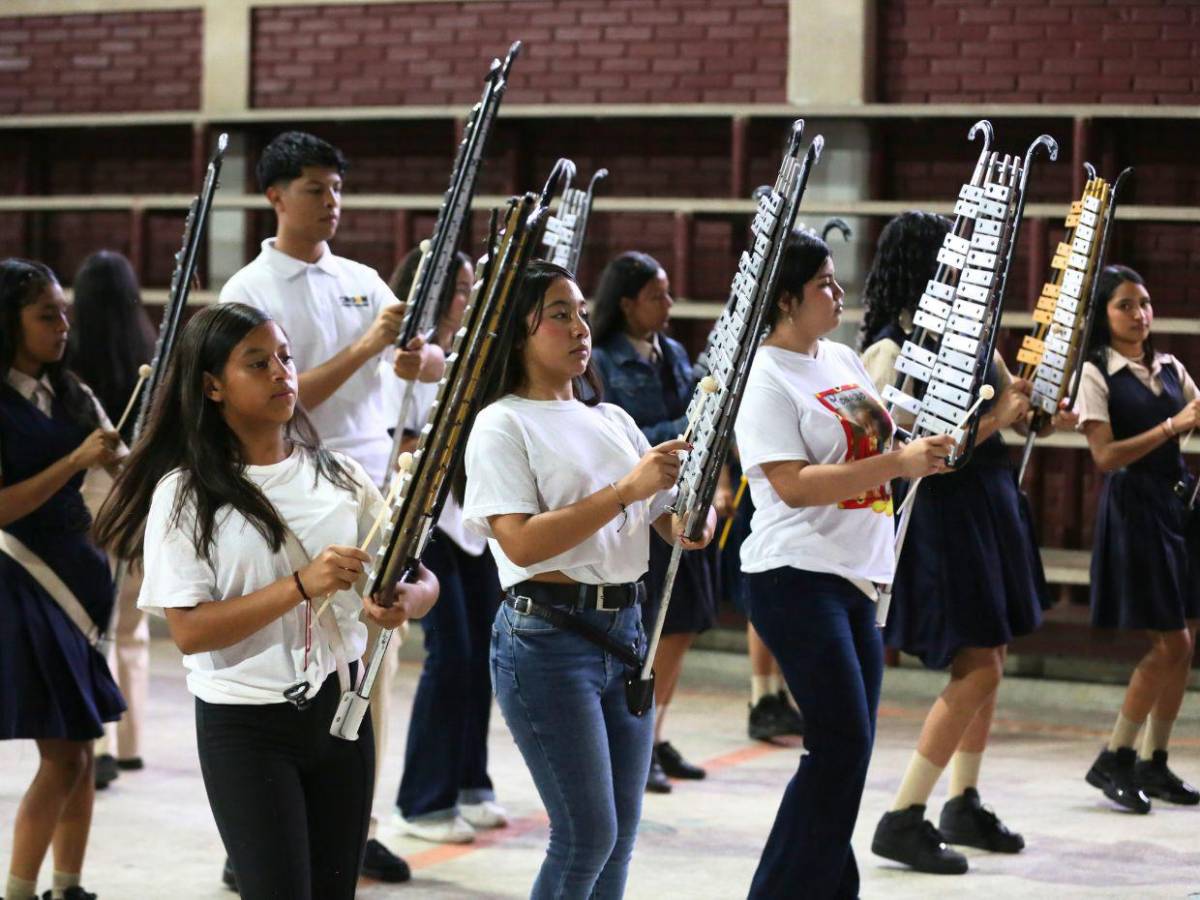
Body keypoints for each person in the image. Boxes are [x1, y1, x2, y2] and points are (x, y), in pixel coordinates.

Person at [93, 302, 439, 900]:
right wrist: (300, 585)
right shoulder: (185, 493)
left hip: (342, 712)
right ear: (213, 387)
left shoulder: (340, 474)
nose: (282, 372)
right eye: (258, 363)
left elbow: (420, 579)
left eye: (285, 357)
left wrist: (404, 601)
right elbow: (190, 632)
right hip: (244, 724)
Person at [218, 129, 444, 884]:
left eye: (338, 189)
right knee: (288, 655)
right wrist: (367, 348)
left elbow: (427, 359)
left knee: (373, 659)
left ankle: (358, 824)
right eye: (316, 189)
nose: (332, 203)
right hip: (284, 488)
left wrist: (415, 356)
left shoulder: (361, 278)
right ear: (275, 197)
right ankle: (255, 833)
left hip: (370, 490)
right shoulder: (250, 289)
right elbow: (274, 399)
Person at [463, 260, 716, 898]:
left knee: (620, 834)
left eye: (580, 312)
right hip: (548, 636)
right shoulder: (502, 423)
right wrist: (625, 490)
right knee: (586, 836)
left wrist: (696, 513)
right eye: (559, 315)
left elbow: (671, 521)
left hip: (626, 633)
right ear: (517, 333)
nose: (579, 327)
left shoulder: (613, 420)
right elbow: (521, 541)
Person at [733, 228, 954, 898]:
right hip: (796, 575)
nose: (838, 292)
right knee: (840, 744)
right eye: (823, 283)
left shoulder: (840, 358)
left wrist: (934, 442)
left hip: (858, 575)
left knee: (848, 751)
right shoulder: (764, 377)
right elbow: (793, 484)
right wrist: (897, 464)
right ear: (785, 299)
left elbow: (884, 441)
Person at [859, 212, 1067, 874]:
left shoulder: (974, 337)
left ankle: (962, 800)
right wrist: (1001, 416)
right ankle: (903, 815)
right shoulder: (891, 351)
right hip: (943, 516)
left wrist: (1035, 408)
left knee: (992, 653)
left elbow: (1014, 407)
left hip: (989, 503)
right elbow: (908, 453)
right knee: (979, 663)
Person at [1, 258, 125, 900]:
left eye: (64, 313)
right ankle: (19, 891)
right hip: (23, 582)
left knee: (80, 746)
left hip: (82, 579)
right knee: (64, 751)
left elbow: (121, 469)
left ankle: (67, 887)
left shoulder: (72, 391)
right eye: (45, 315)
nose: (62, 326)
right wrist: (75, 460)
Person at [386, 248, 507, 844]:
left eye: (471, 286)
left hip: (472, 521)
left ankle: (468, 782)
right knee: (451, 653)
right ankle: (422, 802)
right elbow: (402, 443)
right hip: (424, 522)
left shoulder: (473, 356)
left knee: (485, 651)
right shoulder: (405, 361)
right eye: (458, 287)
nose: (467, 297)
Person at [590, 250, 718, 792]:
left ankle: (655, 733)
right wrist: (684, 431)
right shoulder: (603, 361)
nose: (667, 304)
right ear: (626, 304)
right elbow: (625, 438)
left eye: (668, 293)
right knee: (650, 629)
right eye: (655, 296)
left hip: (682, 498)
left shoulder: (673, 351)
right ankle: (635, 738)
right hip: (641, 511)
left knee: (683, 623)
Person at [1074, 264, 1199, 813]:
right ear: (1103, 314)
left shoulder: (1170, 367)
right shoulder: (1096, 373)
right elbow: (1105, 456)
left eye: (1144, 303)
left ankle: (1154, 758)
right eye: (1125, 305)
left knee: (1187, 639)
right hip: (1136, 507)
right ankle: (1115, 756)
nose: (1139, 314)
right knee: (1170, 643)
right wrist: (1172, 427)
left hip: (1181, 504)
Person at [69, 249, 157, 788]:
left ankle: (97, 741)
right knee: (132, 627)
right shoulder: (152, 358)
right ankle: (130, 744)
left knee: (87, 624)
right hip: (138, 502)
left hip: (84, 503)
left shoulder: (67, 364)